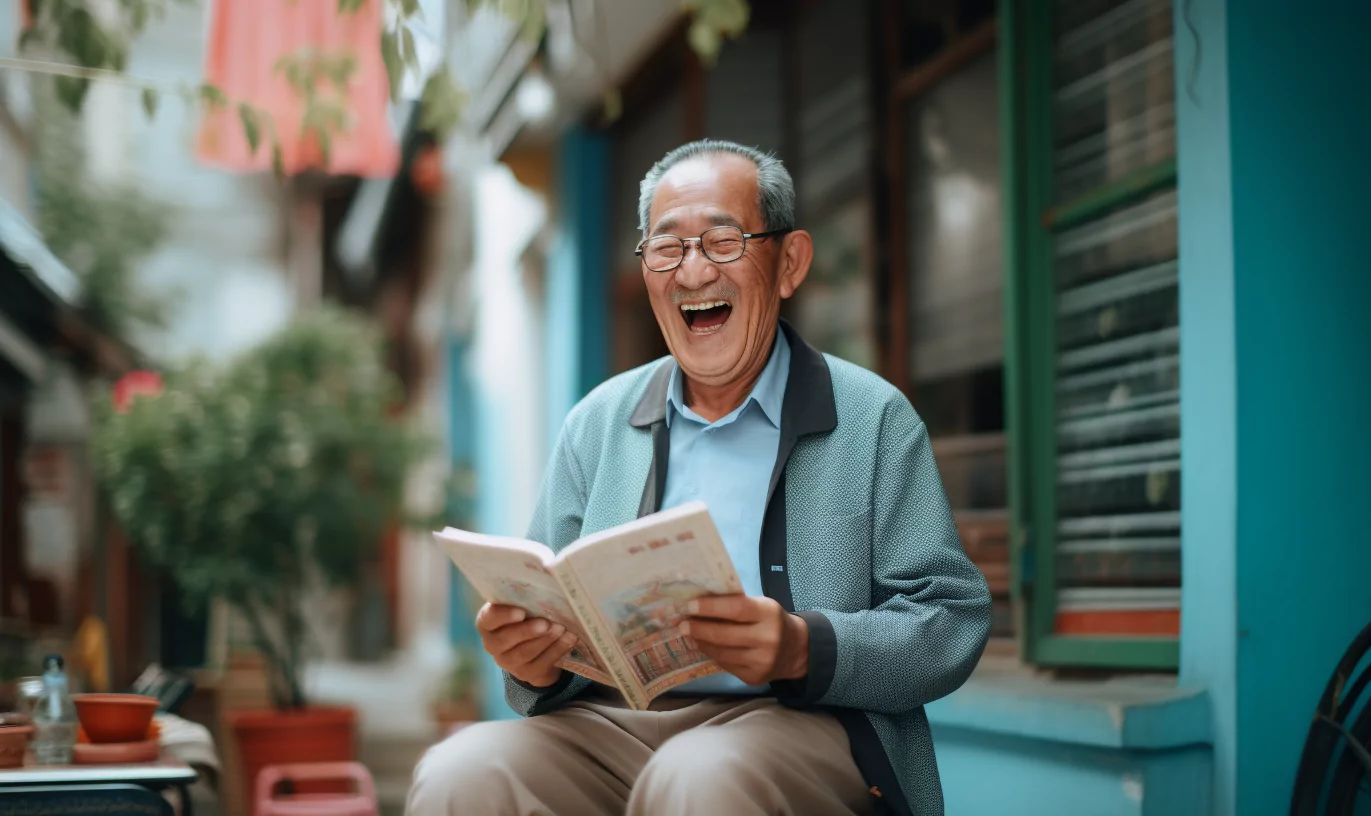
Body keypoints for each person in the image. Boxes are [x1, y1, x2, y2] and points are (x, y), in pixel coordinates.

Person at [406, 139, 991, 816]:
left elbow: (950, 620)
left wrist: (801, 645)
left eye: (721, 241)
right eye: (666, 248)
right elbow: (546, 629)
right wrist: (529, 662)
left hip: (802, 725)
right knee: (460, 771)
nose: (691, 273)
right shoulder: (597, 422)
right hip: (616, 723)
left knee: (697, 776)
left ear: (789, 263)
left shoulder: (871, 418)